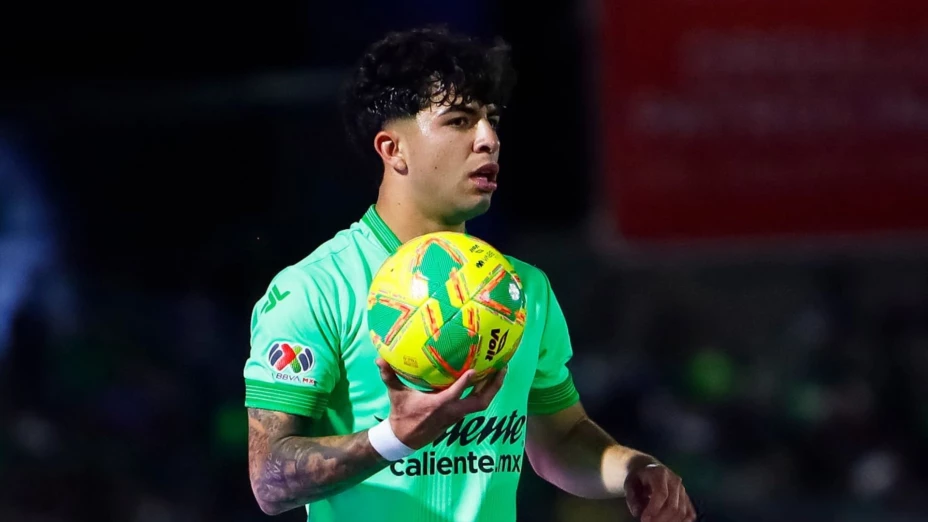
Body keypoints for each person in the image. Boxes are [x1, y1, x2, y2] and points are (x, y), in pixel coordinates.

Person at [243, 26, 697, 522]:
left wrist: (632, 468)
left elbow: (561, 437)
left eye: (492, 120)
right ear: (393, 149)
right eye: (460, 120)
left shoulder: (523, 291)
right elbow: (269, 481)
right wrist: (394, 437)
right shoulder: (314, 290)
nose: (489, 140)